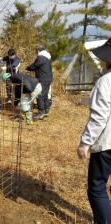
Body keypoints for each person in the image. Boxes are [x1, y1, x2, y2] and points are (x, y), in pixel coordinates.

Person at [78, 37, 111, 224]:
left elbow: (99, 117)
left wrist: (85, 143)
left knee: (97, 188)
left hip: (107, 144)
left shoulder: (106, 82)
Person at [26, 45, 53, 120]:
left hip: (43, 79)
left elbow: (34, 66)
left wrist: (27, 67)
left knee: (40, 95)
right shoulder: (47, 57)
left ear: (38, 51)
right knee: (45, 94)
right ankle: (46, 109)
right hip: (48, 78)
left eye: (36, 51)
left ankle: (41, 112)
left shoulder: (40, 57)